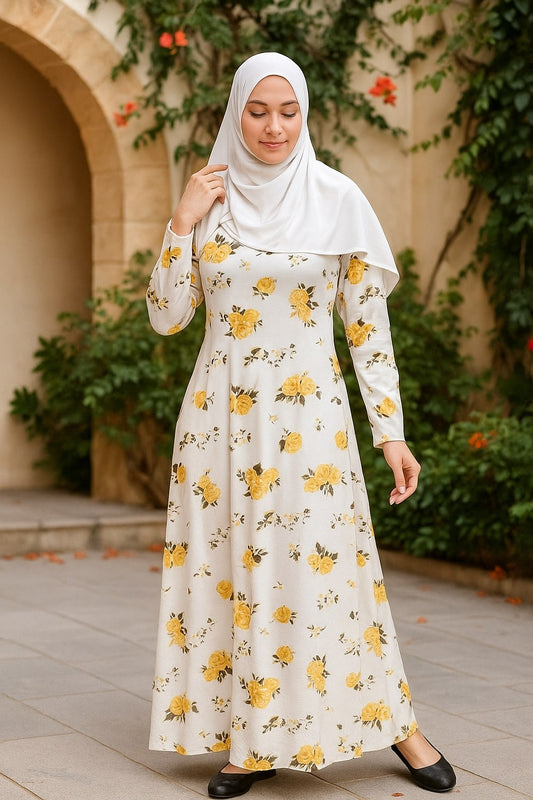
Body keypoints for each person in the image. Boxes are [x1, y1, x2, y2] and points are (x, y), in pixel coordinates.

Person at [146, 52, 456, 798]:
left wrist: (390, 431)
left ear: (304, 111)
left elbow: (366, 329)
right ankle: (251, 741)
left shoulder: (337, 198)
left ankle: (396, 726)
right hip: (217, 422)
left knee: (331, 571)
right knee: (235, 576)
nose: (274, 126)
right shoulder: (207, 200)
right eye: (258, 110)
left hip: (309, 422)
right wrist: (179, 224)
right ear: (236, 112)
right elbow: (167, 318)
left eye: (287, 110)